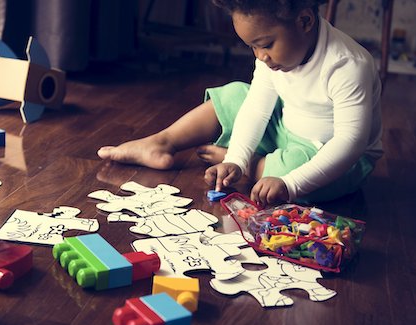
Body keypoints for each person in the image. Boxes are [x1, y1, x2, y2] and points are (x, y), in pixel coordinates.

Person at [97, 0, 383, 207]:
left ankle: (258, 164)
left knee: (286, 172)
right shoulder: (272, 58)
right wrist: (236, 158)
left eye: (266, 44)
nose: (260, 56)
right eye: (252, 47)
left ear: (305, 22)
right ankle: (162, 141)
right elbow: (258, 107)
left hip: (339, 156)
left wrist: (290, 183)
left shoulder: (347, 65)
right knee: (236, 94)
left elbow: (350, 142)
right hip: (287, 127)